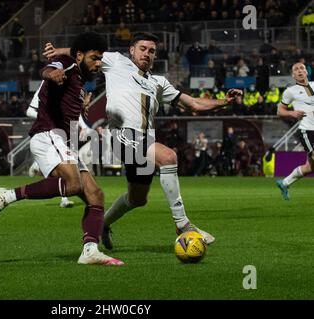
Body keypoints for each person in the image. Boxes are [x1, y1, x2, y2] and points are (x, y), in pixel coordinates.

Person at [43, 32, 243, 249]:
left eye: (151, 51)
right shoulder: (116, 62)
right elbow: (86, 53)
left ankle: (103, 224)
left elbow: (193, 104)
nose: (146, 54)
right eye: (142, 49)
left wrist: (224, 101)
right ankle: (182, 224)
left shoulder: (159, 83)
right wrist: (58, 52)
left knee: (137, 198)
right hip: (123, 135)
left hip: (144, 140)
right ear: (131, 50)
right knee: (168, 157)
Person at [0, 32, 124, 266]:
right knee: (73, 185)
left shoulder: (80, 81)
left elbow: (66, 103)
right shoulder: (69, 65)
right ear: (79, 56)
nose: (98, 63)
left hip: (63, 141)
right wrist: (52, 72)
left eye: (100, 59)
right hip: (48, 134)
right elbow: (48, 70)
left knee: (95, 194)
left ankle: (90, 250)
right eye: (94, 58)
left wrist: (83, 106)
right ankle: (6, 195)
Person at [26, 82, 75, 209]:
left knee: (66, 169)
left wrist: (85, 128)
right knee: (64, 168)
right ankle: (64, 198)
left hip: (62, 134)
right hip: (49, 134)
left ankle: (38, 166)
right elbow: (30, 111)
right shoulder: (47, 84)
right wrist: (48, 118)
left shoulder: (72, 85)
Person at [276, 62, 314, 200]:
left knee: (310, 167)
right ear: (293, 75)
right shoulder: (290, 91)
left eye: (302, 68)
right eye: (296, 69)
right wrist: (292, 114)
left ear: (307, 72)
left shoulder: (313, 86)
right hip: (307, 131)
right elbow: (279, 111)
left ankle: (285, 183)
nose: (299, 71)